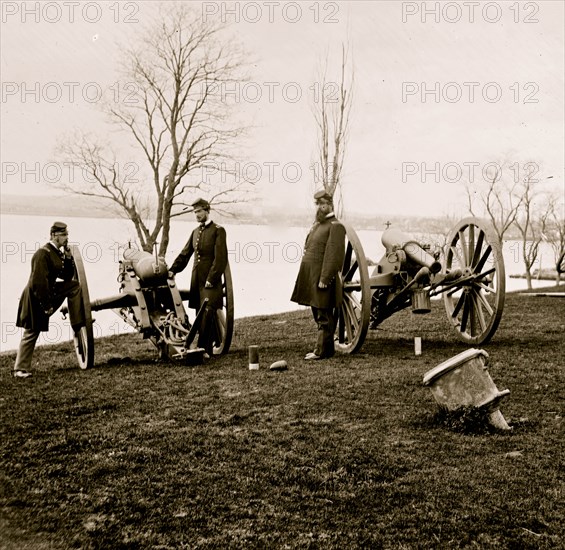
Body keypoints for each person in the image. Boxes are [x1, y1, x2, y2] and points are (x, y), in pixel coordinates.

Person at [13, 221, 85, 378]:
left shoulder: (56, 253)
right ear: (53, 235)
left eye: (67, 234)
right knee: (32, 331)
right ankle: (19, 369)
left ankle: (77, 321)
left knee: (74, 286)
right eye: (63, 235)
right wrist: (47, 305)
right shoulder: (43, 253)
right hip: (36, 295)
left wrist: (67, 258)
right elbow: (38, 282)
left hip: (46, 291)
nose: (66, 238)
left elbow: (66, 276)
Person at [169, 198, 228, 358]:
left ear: (207, 211)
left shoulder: (218, 230)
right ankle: (205, 347)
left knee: (208, 312)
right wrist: (172, 270)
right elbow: (185, 254)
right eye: (195, 212)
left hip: (210, 280)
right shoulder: (195, 232)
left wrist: (212, 278)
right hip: (197, 280)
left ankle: (203, 349)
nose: (197, 215)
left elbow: (221, 259)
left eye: (199, 211)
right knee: (199, 314)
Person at [291, 190, 346, 360]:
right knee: (317, 312)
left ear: (330, 205)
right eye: (318, 205)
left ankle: (322, 351)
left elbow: (334, 255)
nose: (320, 208)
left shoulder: (335, 226)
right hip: (311, 276)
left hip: (321, 277)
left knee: (323, 315)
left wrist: (325, 278)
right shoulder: (317, 225)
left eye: (323, 204)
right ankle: (323, 349)